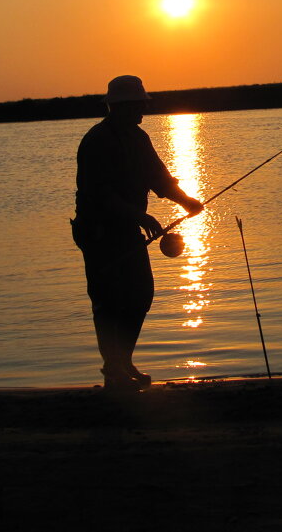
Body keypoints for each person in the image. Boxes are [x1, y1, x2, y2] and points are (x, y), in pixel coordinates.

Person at [71, 75, 204, 391]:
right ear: (118, 107)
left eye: (143, 104)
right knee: (107, 300)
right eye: (137, 105)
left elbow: (159, 178)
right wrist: (139, 215)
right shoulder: (96, 141)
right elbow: (99, 193)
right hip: (98, 232)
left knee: (140, 295)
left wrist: (187, 202)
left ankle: (122, 361)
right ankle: (113, 369)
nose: (143, 110)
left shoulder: (139, 138)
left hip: (127, 228)